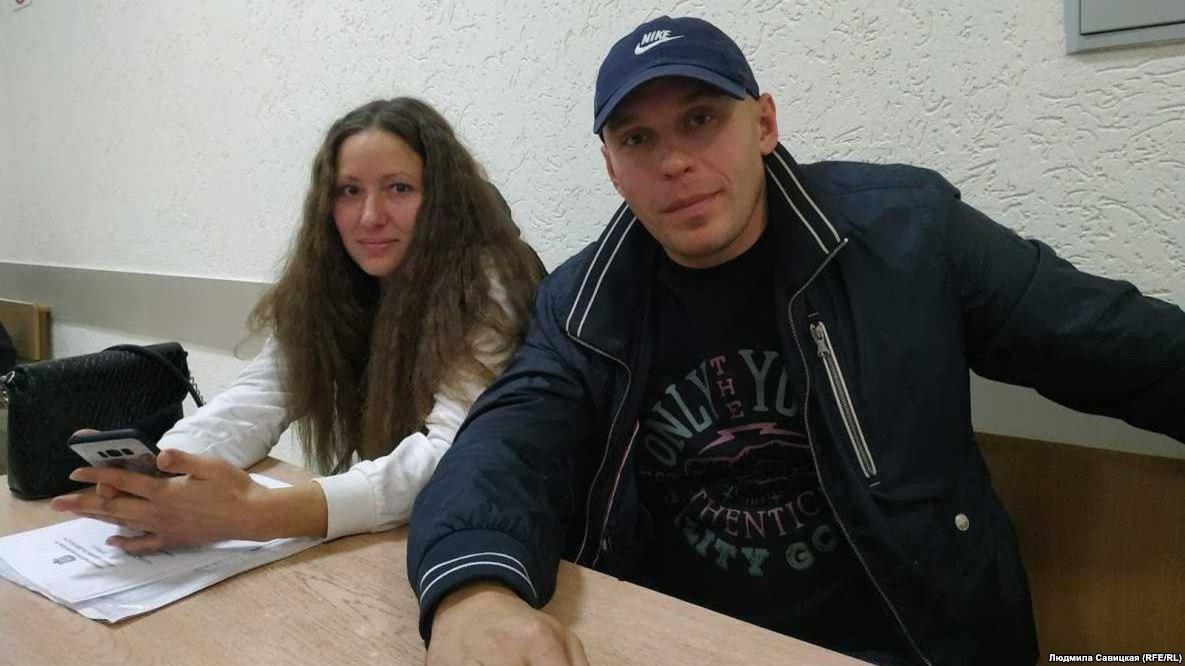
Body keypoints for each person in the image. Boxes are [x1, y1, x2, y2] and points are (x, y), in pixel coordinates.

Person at [406, 16, 1185, 666]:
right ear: (612, 169)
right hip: (682, 645)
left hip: (911, 643)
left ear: (764, 124)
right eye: (637, 139)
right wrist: (474, 593)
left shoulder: (909, 235)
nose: (673, 162)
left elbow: (1107, 339)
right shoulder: (583, 302)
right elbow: (511, 440)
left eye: (701, 119)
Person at [50, 97, 544, 553]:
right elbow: (262, 395)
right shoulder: (332, 277)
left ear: (442, 198)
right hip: (390, 541)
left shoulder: (490, 281)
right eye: (349, 191)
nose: (370, 216)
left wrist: (256, 514)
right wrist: (165, 468)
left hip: (495, 537)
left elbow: (449, 456)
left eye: (399, 188)